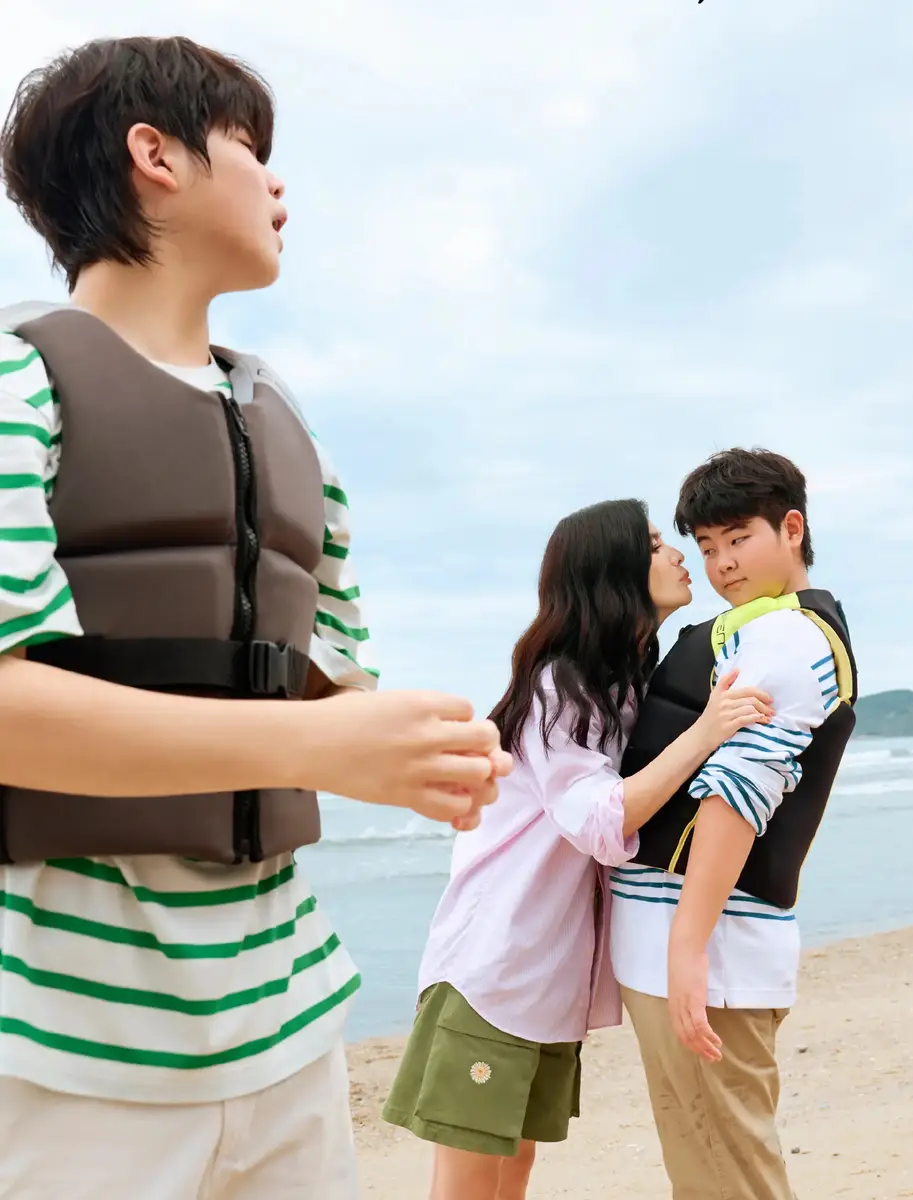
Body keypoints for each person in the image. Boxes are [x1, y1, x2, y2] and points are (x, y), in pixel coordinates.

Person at [0, 36, 509, 1200]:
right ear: (156, 155)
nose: (278, 184)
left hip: (292, 1020)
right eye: (249, 146)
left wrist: (419, 753)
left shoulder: (292, 434)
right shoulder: (17, 386)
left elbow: (334, 688)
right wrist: (320, 743)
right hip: (64, 1047)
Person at [381, 498, 775, 1200]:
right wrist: (707, 731)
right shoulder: (561, 686)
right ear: (613, 570)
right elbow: (598, 819)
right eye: (654, 545)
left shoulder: (624, 687)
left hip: (551, 978)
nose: (680, 554)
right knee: (470, 1178)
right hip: (496, 968)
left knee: (516, 1165)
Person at [610, 448, 858, 1200]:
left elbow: (738, 792)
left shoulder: (788, 637)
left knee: (728, 1178)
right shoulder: (752, 629)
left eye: (739, 539)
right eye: (708, 546)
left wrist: (686, 950)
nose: (722, 564)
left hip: (705, 950)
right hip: (681, 947)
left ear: (792, 529)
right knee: (709, 1171)